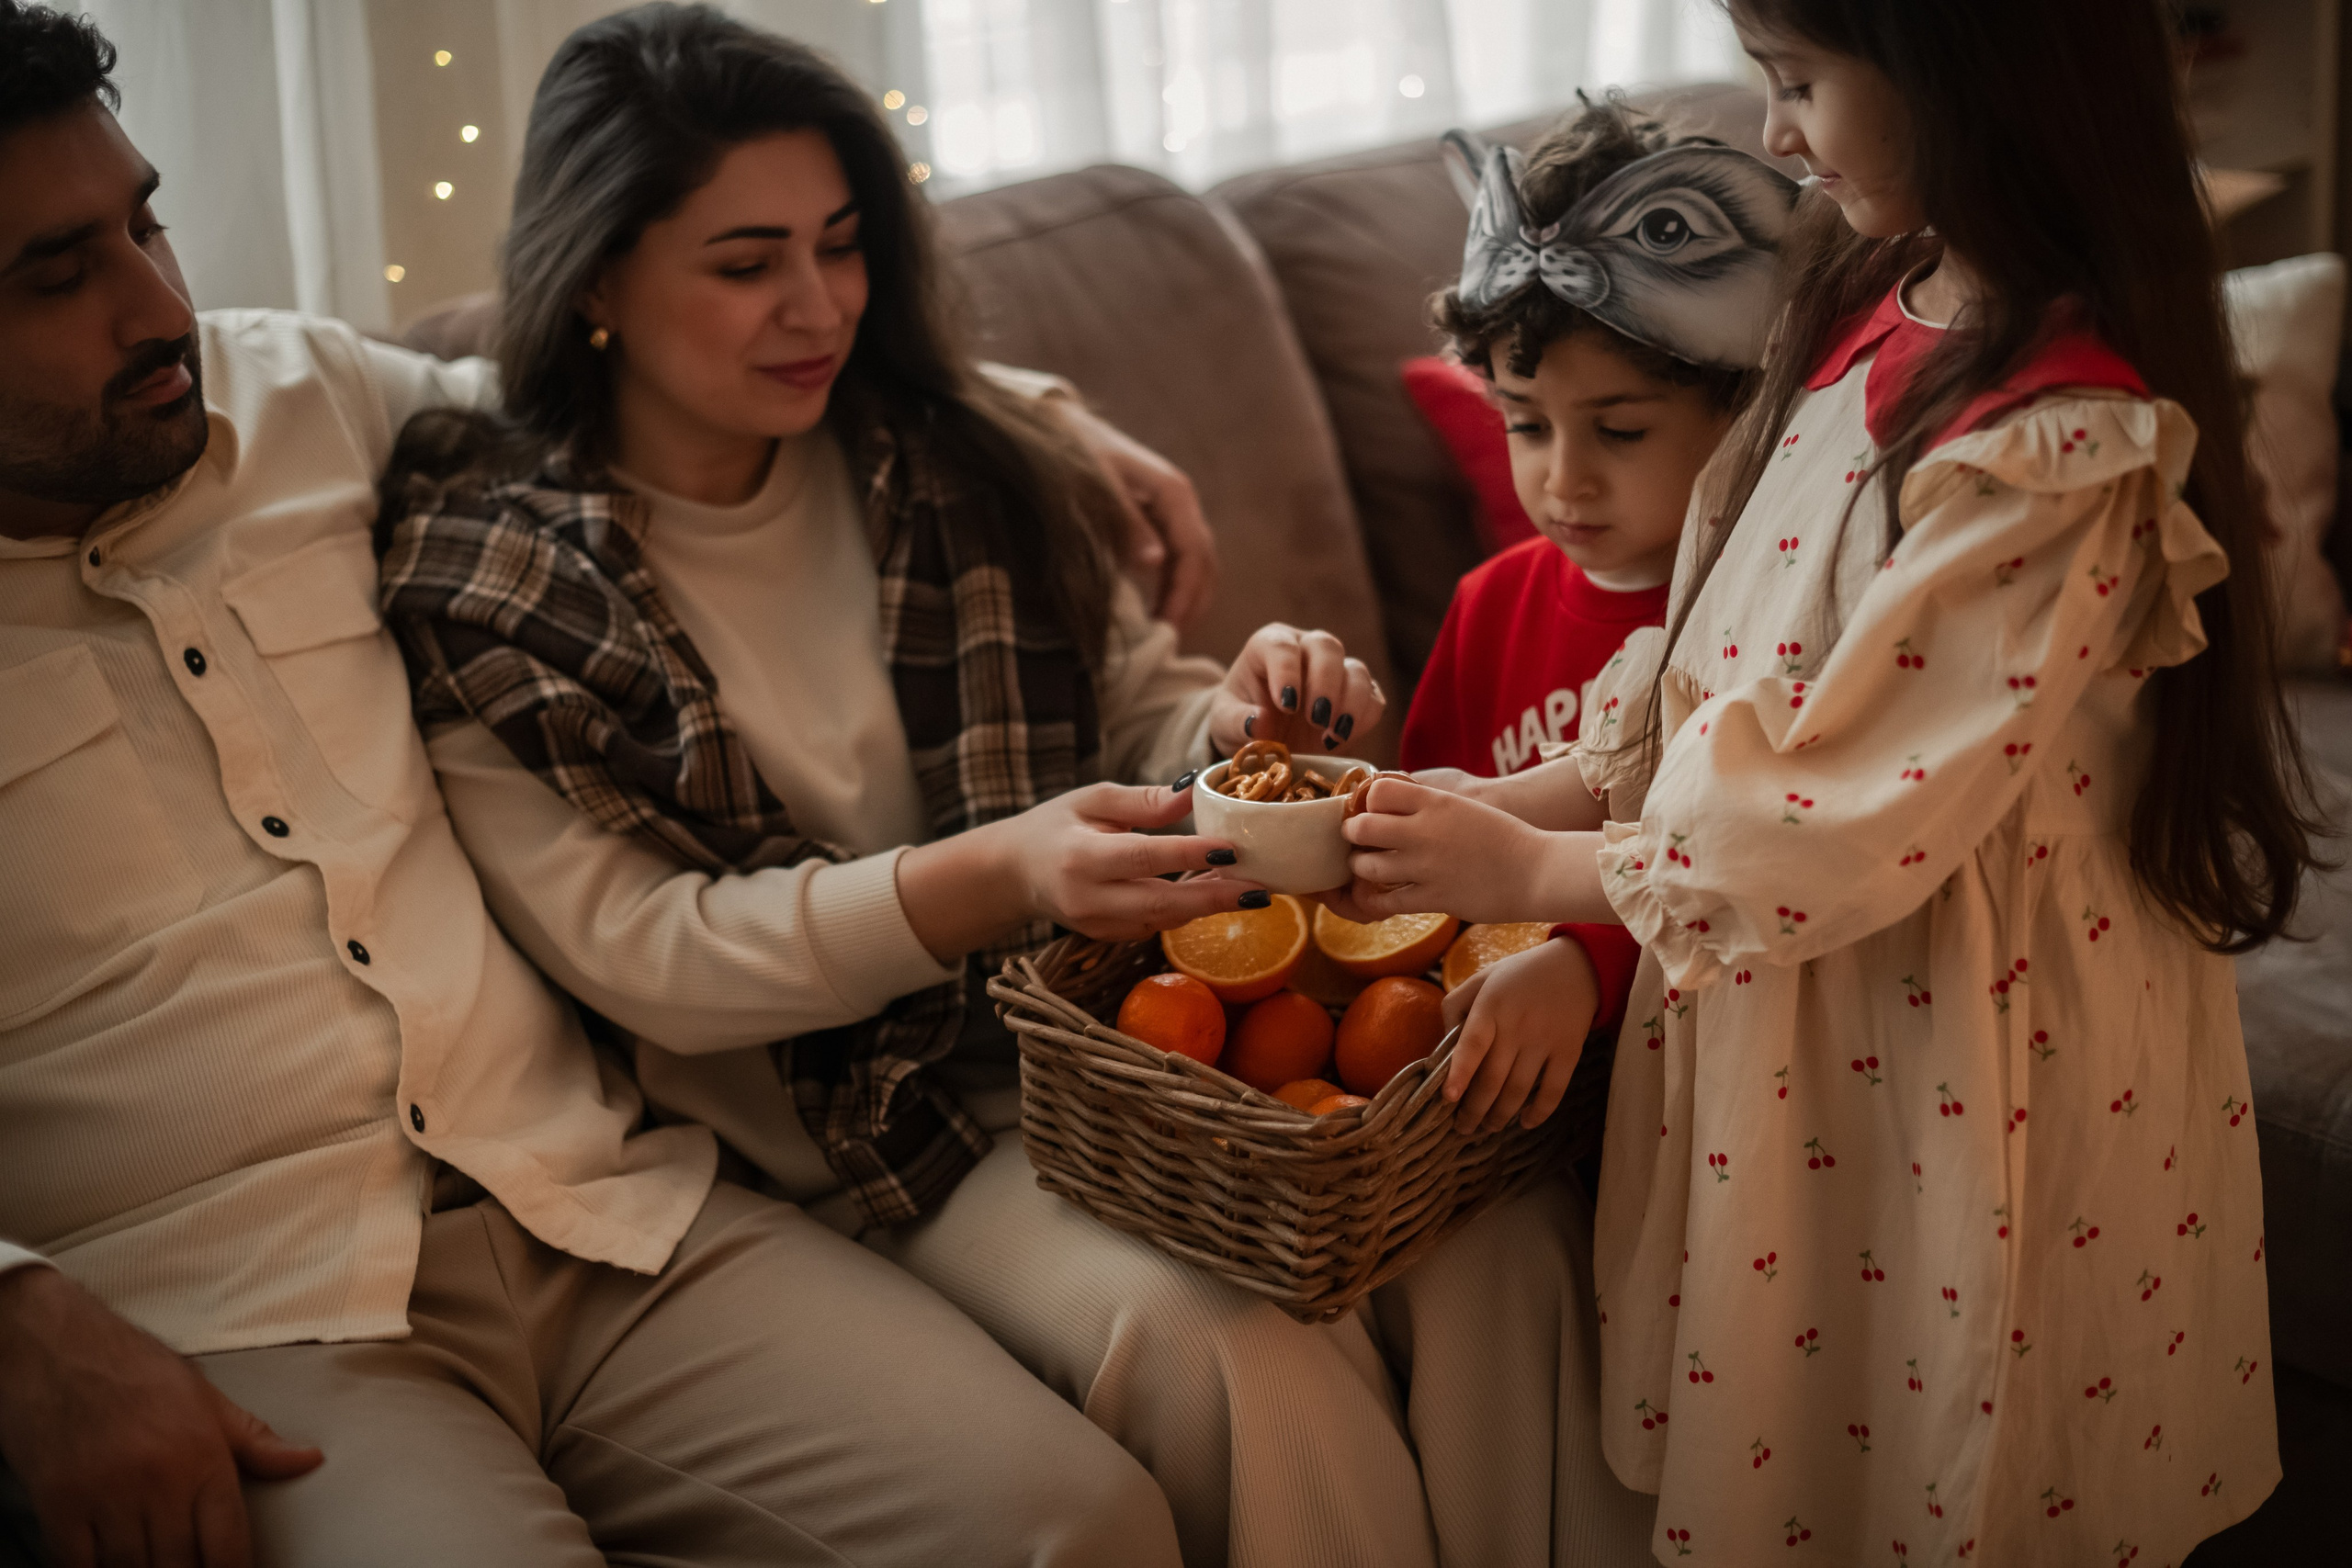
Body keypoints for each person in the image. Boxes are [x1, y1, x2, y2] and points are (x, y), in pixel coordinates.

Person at [374, 8, 1653, 1566]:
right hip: (875, 1125)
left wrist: (1243, 717)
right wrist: (995, 877)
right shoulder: (495, 589)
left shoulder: (958, 453)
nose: (817, 305)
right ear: (592, 283)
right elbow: (655, 962)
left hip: (1135, 1031)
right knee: (1226, 1350)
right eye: (745, 262)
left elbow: (1138, 704)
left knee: (1494, 1235)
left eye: (843, 245)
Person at [0, 0, 1241, 1561]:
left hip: (604, 1207)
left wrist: (1036, 418)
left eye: (148, 223)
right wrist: (18, 1312)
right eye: (57, 271)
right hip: (247, 1312)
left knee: (1080, 1524)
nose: (157, 303)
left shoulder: (300, 395)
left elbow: (617, 399)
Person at [1337, 1, 2324, 1561]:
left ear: (1969, 69)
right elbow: (1732, 650)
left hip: (1948, 1034)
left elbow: (1838, 808)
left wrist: (1527, 877)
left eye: (1799, 82)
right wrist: (1519, 805)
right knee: (1822, 1442)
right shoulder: (1874, 295)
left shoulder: (2053, 439)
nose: (1778, 136)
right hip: (1805, 1019)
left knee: (1952, 1435)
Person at [1389, 97, 1789, 1135]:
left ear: (1741, 412)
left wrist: (1588, 963)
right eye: (1524, 426)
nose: (1563, 481)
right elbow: (1440, 855)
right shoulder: (1491, 606)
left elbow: (1761, 868)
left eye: (1617, 430)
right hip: (1490, 1104)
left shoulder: (1754, 616)